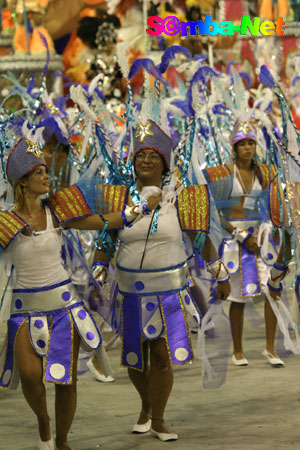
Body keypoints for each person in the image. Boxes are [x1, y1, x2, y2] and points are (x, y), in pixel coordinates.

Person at [0, 134, 160, 450]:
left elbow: (102, 221)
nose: (48, 177)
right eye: (39, 172)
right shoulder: (5, 221)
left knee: (65, 379)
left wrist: (138, 208)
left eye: (46, 170)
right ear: (22, 181)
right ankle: (43, 422)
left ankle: (61, 440)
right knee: (31, 378)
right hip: (24, 309)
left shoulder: (57, 210)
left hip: (63, 307)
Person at [91, 119, 231, 442]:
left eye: (153, 156)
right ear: (133, 160)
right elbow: (105, 240)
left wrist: (220, 272)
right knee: (135, 359)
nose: (146, 161)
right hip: (130, 293)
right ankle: (145, 404)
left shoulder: (179, 197)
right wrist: (98, 273)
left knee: (162, 358)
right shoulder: (119, 198)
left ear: (164, 163)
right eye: (141, 155)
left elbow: (199, 238)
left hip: (169, 291)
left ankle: (159, 418)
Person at [203, 119, 291, 368]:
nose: (248, 148)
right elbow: (215, 214)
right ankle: (238, 351)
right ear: (234, 147)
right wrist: (241, 235)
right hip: (234, 242)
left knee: (272, 291)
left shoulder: (264, 172)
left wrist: (269, 230)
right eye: (242, 144)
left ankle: (270, 348)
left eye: (251, 143)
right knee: (238, 299)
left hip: (262, 241)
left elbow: (273, 203)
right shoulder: (223, 175)